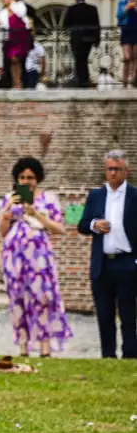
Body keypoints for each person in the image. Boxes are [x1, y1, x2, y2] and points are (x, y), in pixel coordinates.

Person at [0, 157, 73, 357]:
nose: (26, 181)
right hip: (14, 257)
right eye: (22, 177)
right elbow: (3, 231)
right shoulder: (9, 198)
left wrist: (36, 214)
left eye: (30, 177)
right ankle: (23, 345)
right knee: (18, 298)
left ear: (37, 178)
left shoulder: (48, 199)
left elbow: (59, 229)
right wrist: (7, 210)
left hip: (39, 256)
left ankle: (45, 345)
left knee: (43, 298)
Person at [77, 150, 136, 357]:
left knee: (128, 314)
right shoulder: (96, 195)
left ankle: (130, 355)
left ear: (126, 171)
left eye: (117, 169)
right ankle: (108, 355)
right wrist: (95, 224)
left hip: (127, 263)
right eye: (109, 169)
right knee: (104, 314)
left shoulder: (135, 196)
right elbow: (82, 225)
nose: (112, 173)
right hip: (102, 263)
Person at [66, 0, 101, 89]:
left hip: (76, 38)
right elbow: (97, 25)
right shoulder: (92, 8)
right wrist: (97, 40)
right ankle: (84, 79)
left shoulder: (71, 9)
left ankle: (81, 81)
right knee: (84, 59)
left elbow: (66, 24)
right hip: (89, 38)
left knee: (78, 60)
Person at [0, 0, 31, 90]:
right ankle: (15, 81)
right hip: (10, 37)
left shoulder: (19, 5)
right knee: (13, 60)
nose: (5, 0)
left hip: (21, 36)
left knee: (20, 60)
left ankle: (20, 81)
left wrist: (12, 5)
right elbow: (3, 25)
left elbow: (21, 14)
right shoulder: (2, 12)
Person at [120, 0, 137, 88]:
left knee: (136, 57)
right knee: (127, 57)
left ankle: (134, 81)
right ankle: (124, 81)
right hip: (126, 31)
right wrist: (127, 8)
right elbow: (119, 16)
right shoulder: (123, 2)